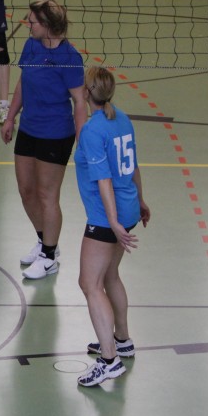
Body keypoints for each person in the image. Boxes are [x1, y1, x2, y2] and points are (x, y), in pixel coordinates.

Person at [72, 66, 151, 387]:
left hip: (106, 218)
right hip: (128, 207)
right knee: (110, 275)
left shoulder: (92, 131)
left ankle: (108, 361)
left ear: (87, 92)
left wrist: (114, 222)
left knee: (89, 284)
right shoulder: (122, 119)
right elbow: (134, 166)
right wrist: (140, 201)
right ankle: (122, 340)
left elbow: (103, 179)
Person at [0, 0, 87, 280]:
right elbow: (22, 83)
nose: (28, 25)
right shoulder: (31, 45)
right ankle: (44, 241)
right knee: (26, 190)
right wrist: (10, 117)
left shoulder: (70, 58)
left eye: (33, 21)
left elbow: (80, 101)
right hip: (29, 128)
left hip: (56, 133)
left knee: (47, 195)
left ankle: (49, 258)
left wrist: (82, 139)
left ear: (48, 25)